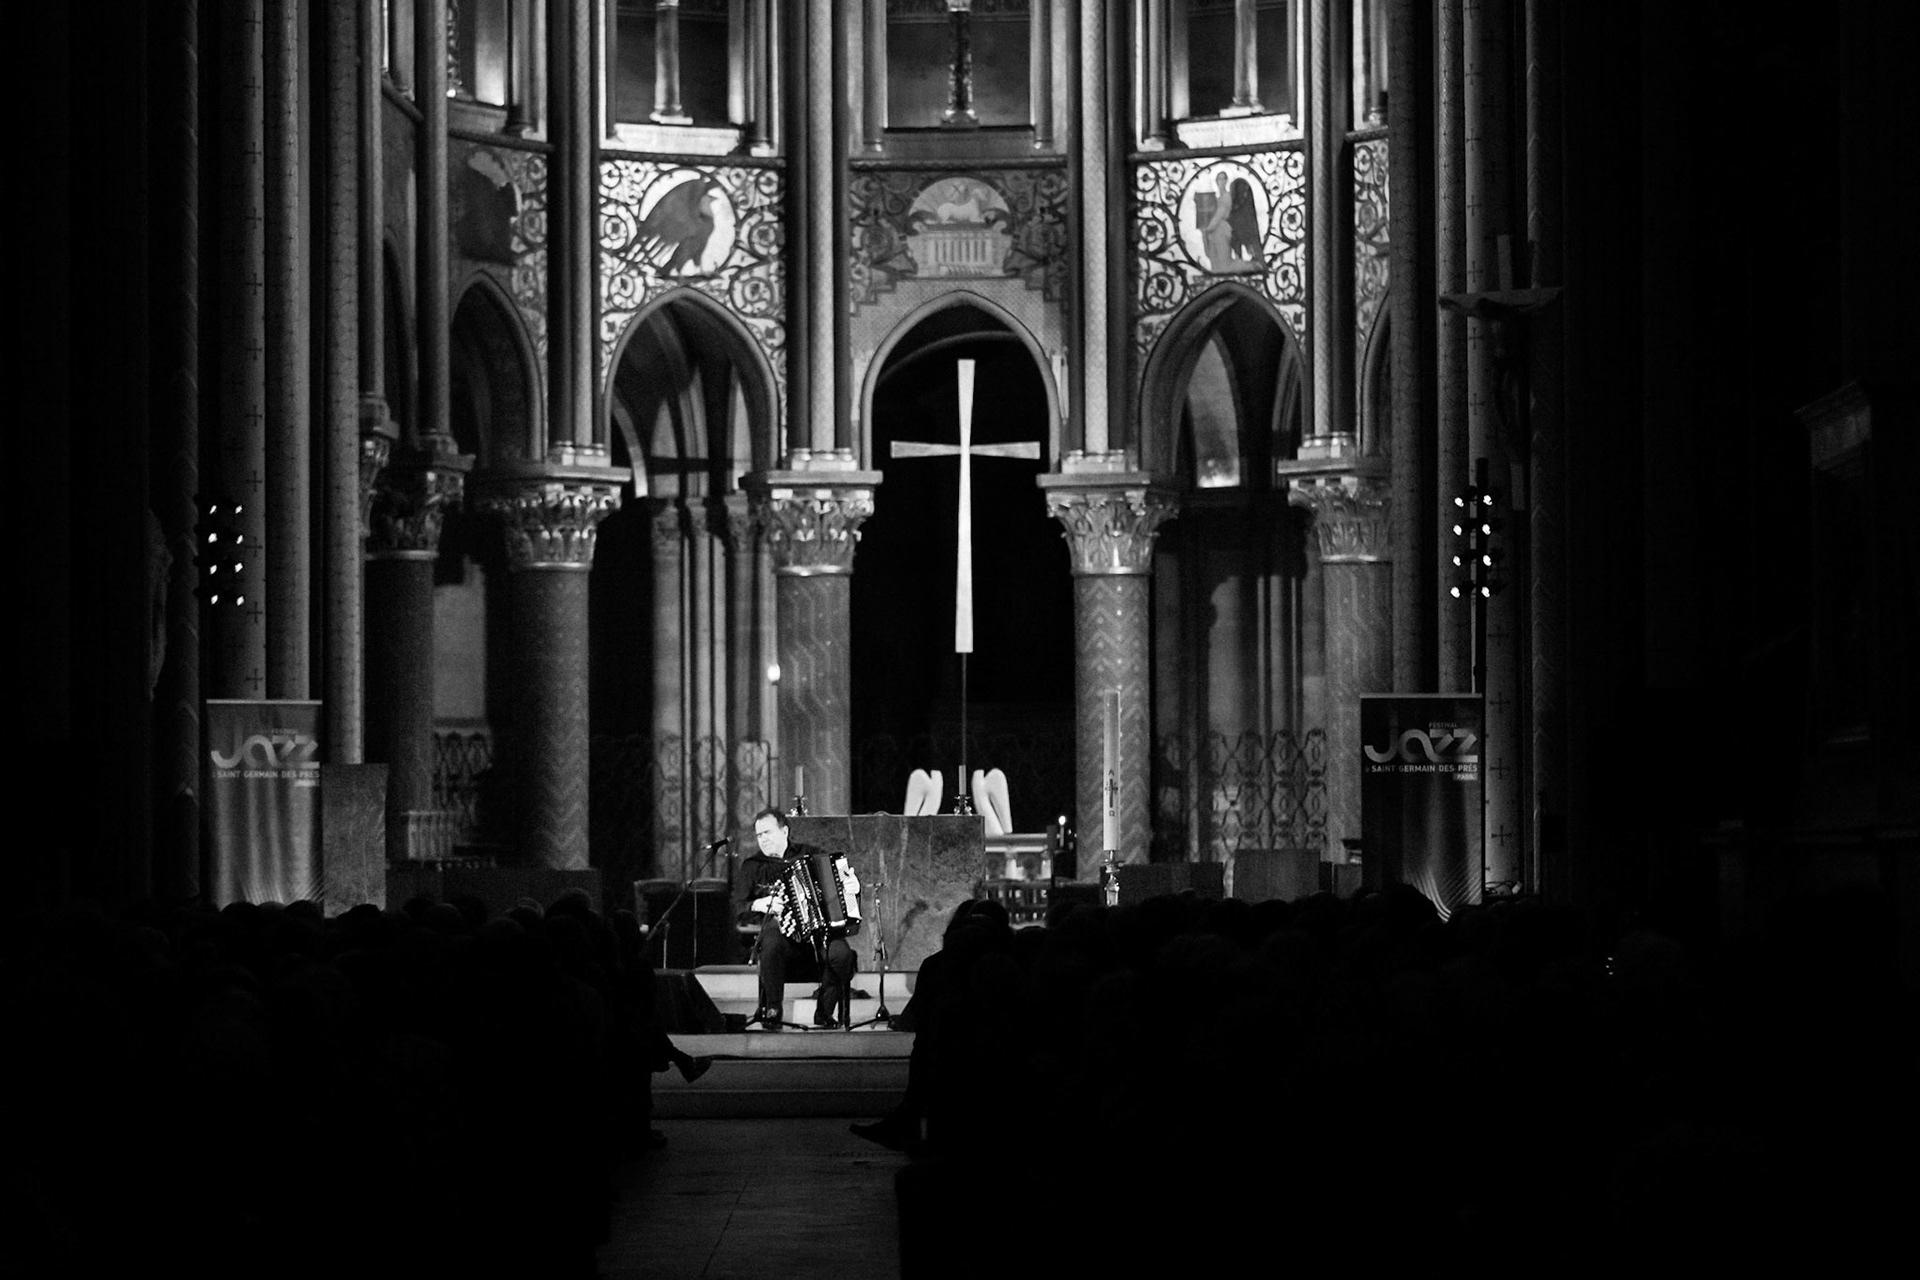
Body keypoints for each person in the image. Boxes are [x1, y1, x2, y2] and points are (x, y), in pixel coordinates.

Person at [746, 807, 861, 1029]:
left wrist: (851, 888)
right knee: (770, 945)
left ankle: (824, 1012)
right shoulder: (753, 866)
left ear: (784, 831)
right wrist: (759, 904)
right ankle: (773, 1010)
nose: (763, 840)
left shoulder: (811, 854)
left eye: (767, 833)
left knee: (842, 955)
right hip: (782, 935)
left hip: (818, 933)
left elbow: (839, 885)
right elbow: (738, 906)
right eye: (759, 835)